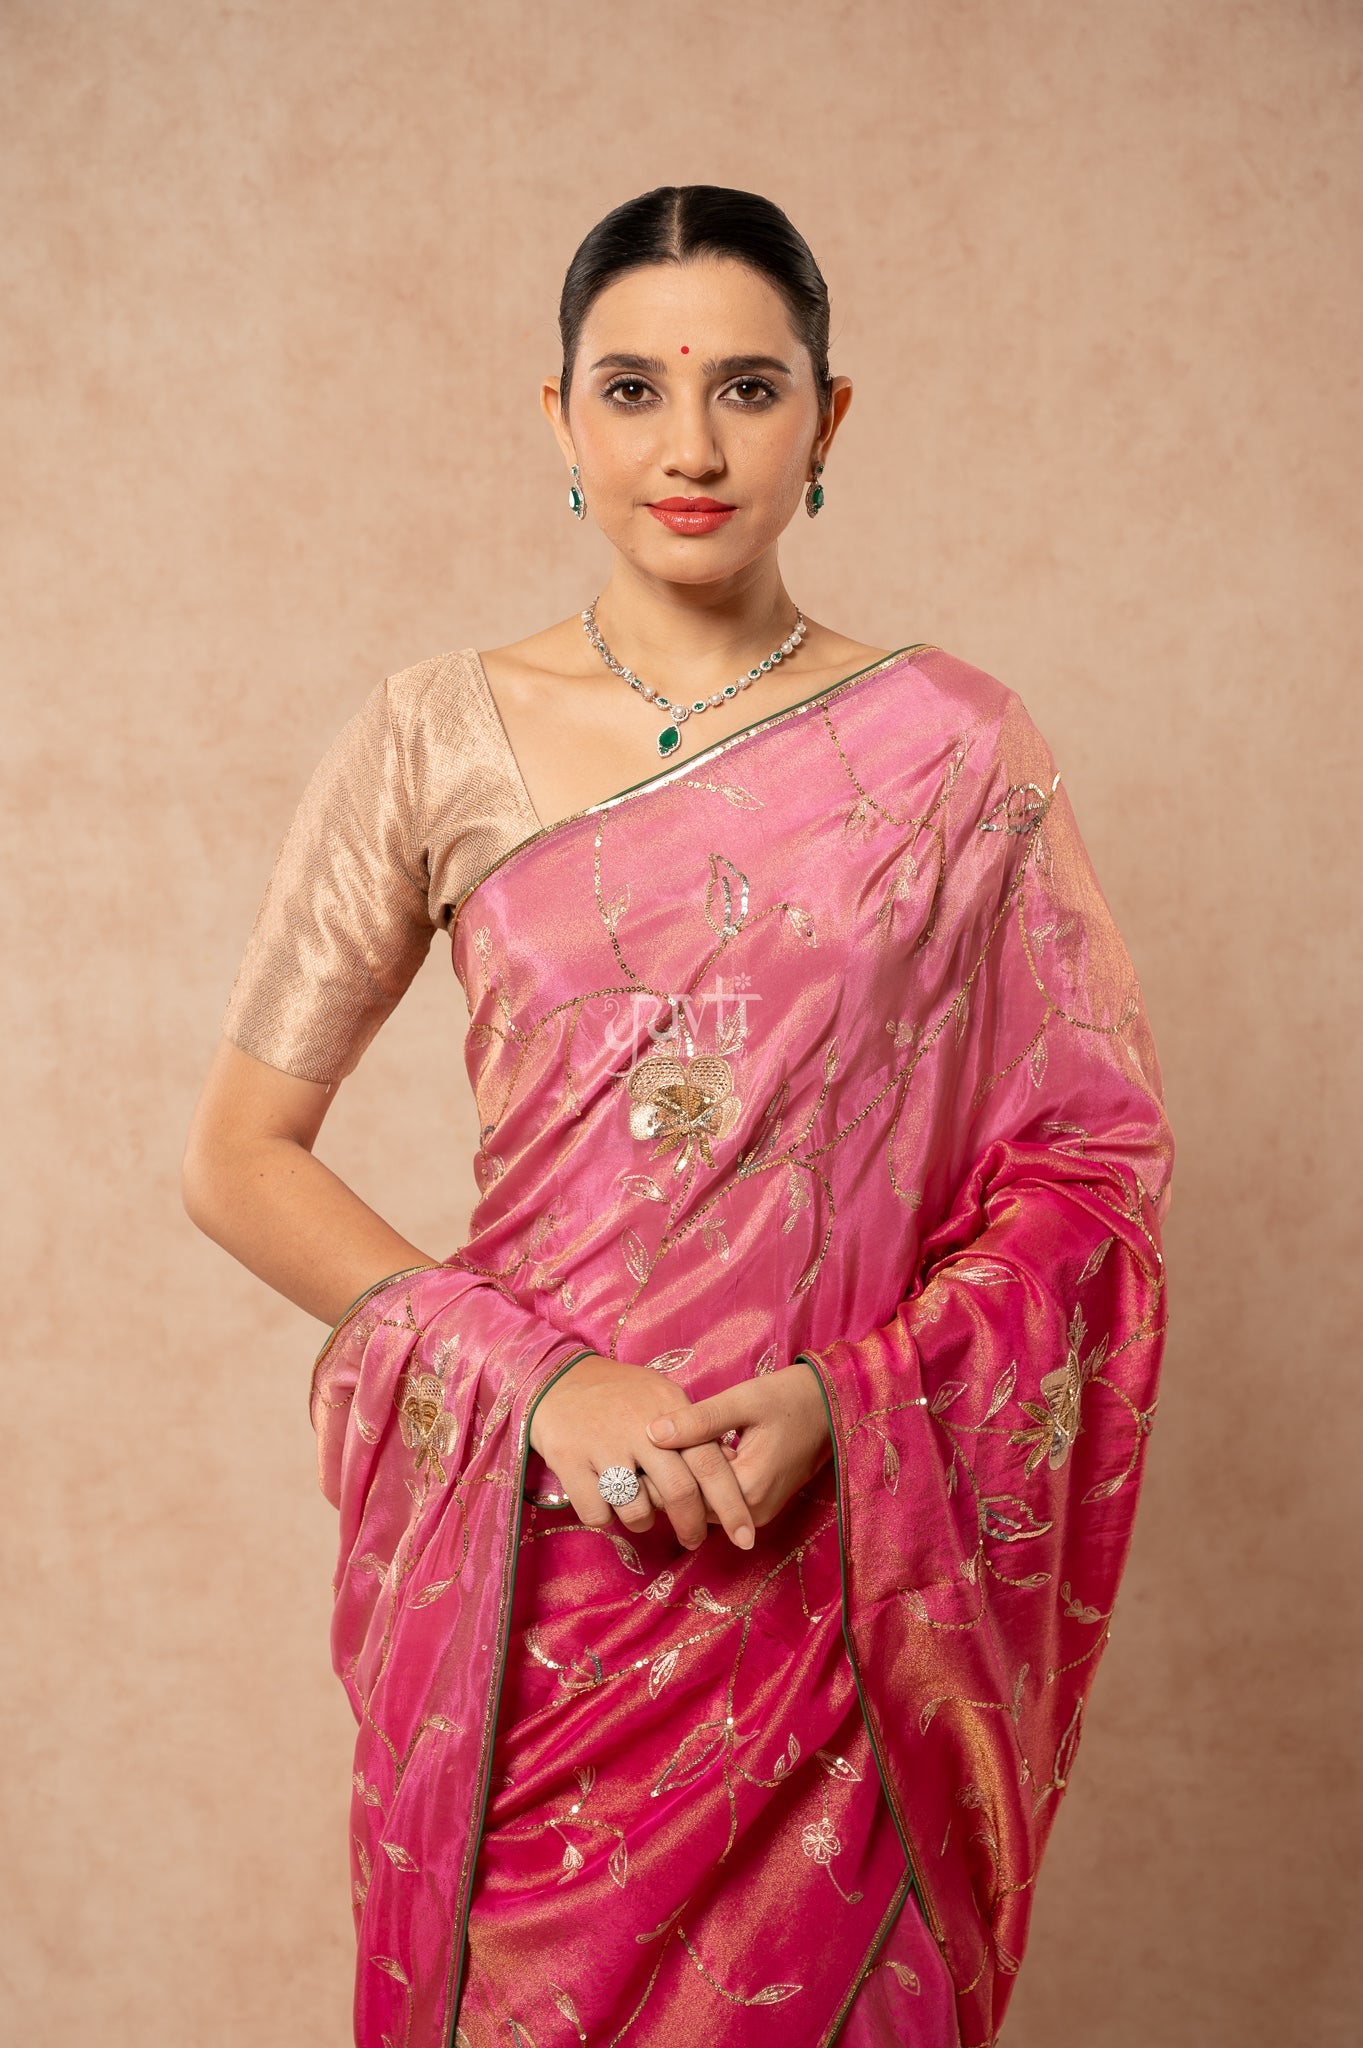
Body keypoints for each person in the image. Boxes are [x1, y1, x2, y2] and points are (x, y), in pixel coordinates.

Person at [184, 184, 1174, 2048]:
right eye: (632, 390)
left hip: (837, 1587)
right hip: (540, 1573)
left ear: (829, 418)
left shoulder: (957, 755)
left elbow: (1087, 1169)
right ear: (558, 419)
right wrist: (546, 1388)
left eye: (748, 388)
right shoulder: (435, 739)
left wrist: (850, 1404)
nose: (691, 449)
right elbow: (237, 1156)